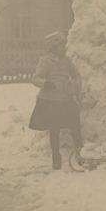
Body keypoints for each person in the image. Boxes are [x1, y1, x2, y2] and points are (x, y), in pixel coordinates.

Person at [29, 31, 84, 170]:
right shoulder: (46, 61)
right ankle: (56, 158)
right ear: (53, 48)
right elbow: (35, 78)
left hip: (66, 99)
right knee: (54, 129)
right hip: (51, 101)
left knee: (75, 124)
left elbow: (76, 75)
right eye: (60, 46)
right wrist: (45, 83)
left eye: (63, 45)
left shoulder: (67, 61)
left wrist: (74, 86)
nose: (63, 48)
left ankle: (80, 153)